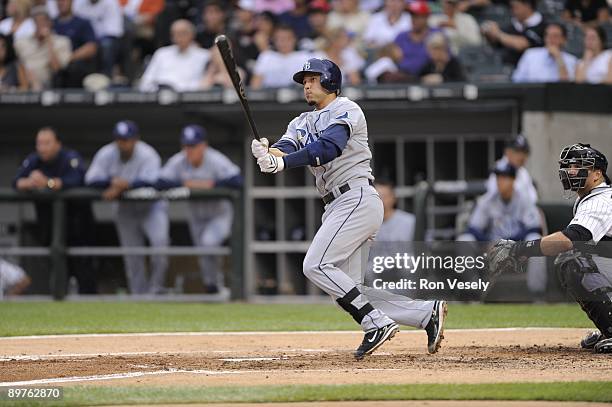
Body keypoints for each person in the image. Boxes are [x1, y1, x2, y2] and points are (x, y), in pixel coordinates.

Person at [250, 58, 447, 359]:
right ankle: (424, 313)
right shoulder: (300, 121)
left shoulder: (346, 108)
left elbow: (328, 147)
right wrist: (268, 153)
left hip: (355, 197)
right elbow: (287, 147)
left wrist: (282, 162)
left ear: (330, 80)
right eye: (304, 80)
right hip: (337, 205)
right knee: (351, 291)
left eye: (313, 78)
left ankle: (375, 323)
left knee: (315, 265)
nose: (306, 84)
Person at [488, 143, 612, 353]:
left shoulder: (600, 200)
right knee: (579, 257)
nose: (571, 172)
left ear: (597, 174)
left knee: (572, 259)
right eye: (569, 166)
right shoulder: (593, 197)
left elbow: (570, 239)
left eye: (578, 167)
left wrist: (520, 250)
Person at [85, 120, 169, 295]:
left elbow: (155, 181)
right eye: (119, 139)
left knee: (160, 245)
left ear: (135, 139)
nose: (122, 144)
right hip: (125, 210)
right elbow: (90, 179)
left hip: (151, 208)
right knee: (132, 255)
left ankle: (156, 291)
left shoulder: (148, 154)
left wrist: (126, 185)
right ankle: (138, 294)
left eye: (126, 139)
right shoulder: (106, 153)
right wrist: (111, 183)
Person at [157, 125, 243, 293]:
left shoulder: (215, 159)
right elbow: (160, 182)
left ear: (203, 145)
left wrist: (212, 184)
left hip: (219, 214)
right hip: (196, 215)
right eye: (186, 146)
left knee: (209, 243)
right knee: (203, 253)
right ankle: (212, 287)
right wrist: (186, 184)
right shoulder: (179, 160)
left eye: (193, 146)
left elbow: (237, 180)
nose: (189, 150)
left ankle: (218, 284)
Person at [13, 126, 97, 293]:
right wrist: (30, 182)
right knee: (56, 269)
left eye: (47, 143)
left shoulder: (69, 158)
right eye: (39, 143)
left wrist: (48, 183)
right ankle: (59, 301)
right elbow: (16, 181)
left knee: (84, 271)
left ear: (58, 143)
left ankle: (90, 303)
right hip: (49, 227)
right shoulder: (34, 160)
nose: (42, 148)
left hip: (78, 226)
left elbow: (77, 180)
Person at [460, 163, 546, 295]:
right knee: (464, 240)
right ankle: (475, 292)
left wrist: (509, 243)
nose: (500, 181)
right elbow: (472, 229)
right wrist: (488, 241)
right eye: (498, 177)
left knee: (535, 239)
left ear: (513, 180)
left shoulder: (525, 200)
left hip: (518, 247)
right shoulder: (487, 200)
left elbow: (534, 228)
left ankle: (537, 294)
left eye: (504, 178)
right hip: (492, 247)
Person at [138, 19, 210, 92]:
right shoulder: (161, 53)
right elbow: (146, 82)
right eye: (175, 33)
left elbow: (204, 84)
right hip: (159, 95)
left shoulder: (204, 55)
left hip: (188, 97)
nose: (179, 37)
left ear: (192, 35)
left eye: (183, 33)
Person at [14, 7, 71, 90]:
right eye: (37, 21)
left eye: (43, 21)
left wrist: (49, 42)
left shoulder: (62, 42)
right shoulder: (21, 42)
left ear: (50, 23)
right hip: (23, 83)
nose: (40, 24)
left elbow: (57, 69)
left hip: (48, 85)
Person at [481, 0, 546, 66]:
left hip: (535, 67)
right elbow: (497, 42)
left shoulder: (543, 24)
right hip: (509, 67)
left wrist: (498, 34)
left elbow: (522, 44)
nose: (512, 10)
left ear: (527, 5)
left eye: (516, 7)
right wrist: (489, 32)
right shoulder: (512, 24)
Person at [72, 0, 124, 78]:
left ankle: (106, 78)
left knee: (106, 45)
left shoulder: (110, 3)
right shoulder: (80, 3)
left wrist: (93, 43)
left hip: (104, 41)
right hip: (85, 41)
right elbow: (75, 24)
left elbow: (114, 32)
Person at [512, 22, 578, 83]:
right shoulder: (530, 55)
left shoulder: (572, 60)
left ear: (563, 39)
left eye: (555, 36)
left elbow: (567, 86)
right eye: (548, 35)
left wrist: (558, 58)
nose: (551, 39)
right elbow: (517, 80)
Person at [53, 0, 97, 88]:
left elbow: (91, 47)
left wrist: (69, 58)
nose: (61, 3)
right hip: (53, 62)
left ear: (71, 2)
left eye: (64, 1)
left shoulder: (82, 23)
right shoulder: (51, 24)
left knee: (74, 68)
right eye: (58, 1)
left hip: (74, 64)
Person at [250, 24, 311, 89]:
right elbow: (255, 84)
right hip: (269, 94)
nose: (284, 42)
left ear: (294, 39)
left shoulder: (304, 57)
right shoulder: (266, 56)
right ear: (274, 40)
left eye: (287, 38)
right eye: (280, 39)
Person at [393, 1, 440, 80]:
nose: (413, 19)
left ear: (426, 17)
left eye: (417, 16)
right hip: (403, 78)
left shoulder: (436, 34)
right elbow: (392, 60)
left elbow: (444, 59)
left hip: (428, 77)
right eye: (412, 16)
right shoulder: (401, 36)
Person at [486, 134, 538, 204]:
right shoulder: (499, 170)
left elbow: (533, 198)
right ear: (508, 152)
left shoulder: (523, 172)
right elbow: (493, 197)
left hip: (522, 212)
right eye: (517, 151)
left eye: (524, 152)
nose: (521, 156)